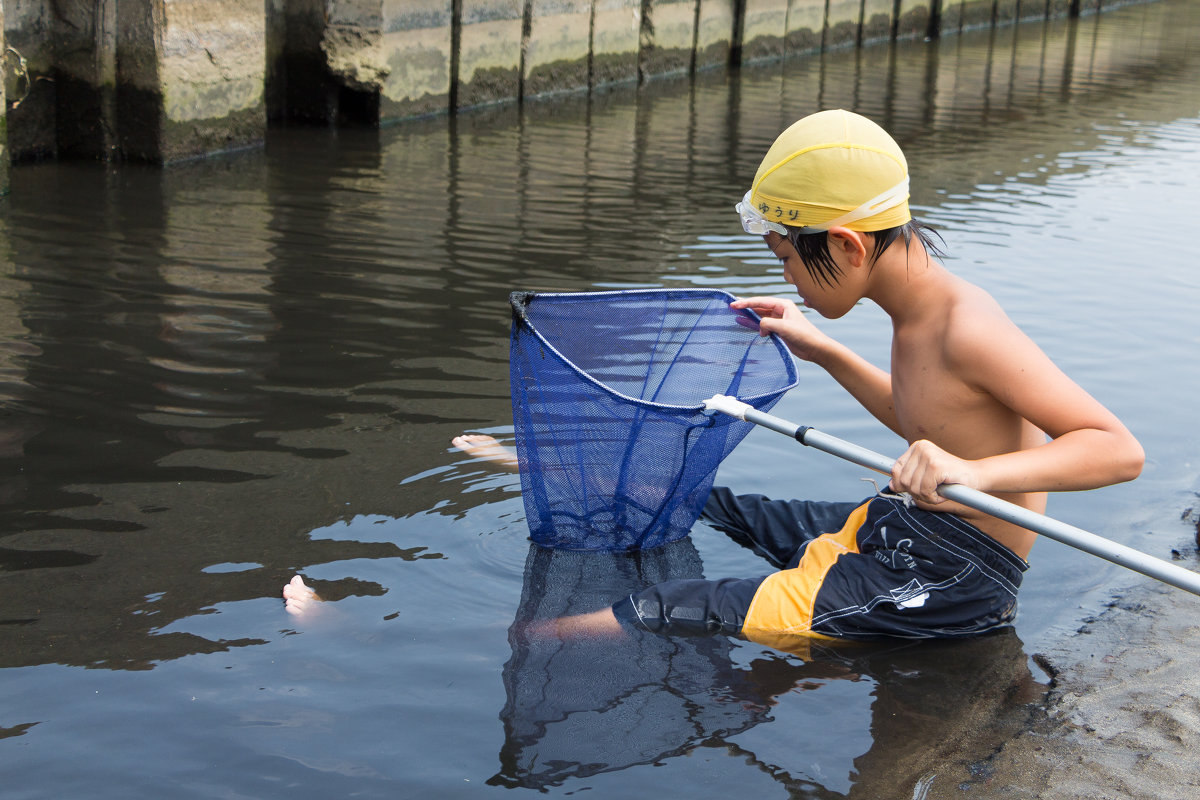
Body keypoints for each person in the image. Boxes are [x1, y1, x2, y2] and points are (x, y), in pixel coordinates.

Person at [298, 110, 1145, 647]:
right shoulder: (910, 312)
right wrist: (827, 351)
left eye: (786, 253)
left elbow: (1115, 450)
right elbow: (934, 422)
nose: (783, 270)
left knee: (674, 606)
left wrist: (974, 475)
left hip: (948, 577)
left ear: (845, 246)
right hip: (902, 525)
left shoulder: (968, 325)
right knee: (708, 494)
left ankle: (407, 639)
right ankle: (548, 467)